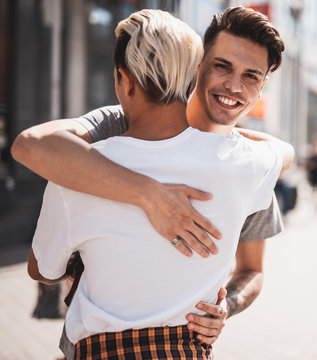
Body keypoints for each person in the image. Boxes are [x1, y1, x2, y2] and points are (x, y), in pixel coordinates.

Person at [16, 7, 291, 359]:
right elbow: (31, 146)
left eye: (251, 76)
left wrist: (226, 307)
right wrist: (149, 195)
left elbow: (252, 269)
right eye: (222, 66)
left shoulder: (248, 164)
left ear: (262, 85)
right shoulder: (113, 124)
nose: (234, 86)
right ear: (198, 66)